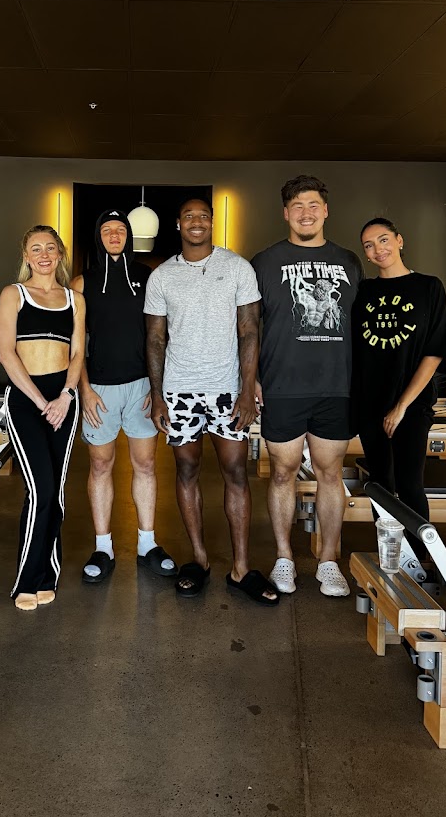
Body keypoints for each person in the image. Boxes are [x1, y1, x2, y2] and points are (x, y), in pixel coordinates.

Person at [145, 198, 277, 606]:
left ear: (212, 222)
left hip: (226, 389)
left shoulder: (238, 268)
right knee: (186, 469)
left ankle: (241, 569)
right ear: (178, 224)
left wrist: (247, 389)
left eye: (204, 215)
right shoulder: (162, 276)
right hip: (179, 390)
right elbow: (155, 339)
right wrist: (158, 395)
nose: (197, 222)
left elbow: (249, 331)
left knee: (235, 471)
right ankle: (199, 560)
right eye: (189, 216)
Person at [251, 175, 362, 598]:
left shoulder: (349, 261)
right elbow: (248, 326)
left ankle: (328, 560)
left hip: (335, 386)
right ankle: (284, 556)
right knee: (282, 472)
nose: (306, 213)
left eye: (313, 204)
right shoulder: (265, 262)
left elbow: (358, 324)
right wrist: (251, 377)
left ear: (326, 210)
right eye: (297, 206)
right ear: (285, 213)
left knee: (331, 473)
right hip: (282, 386)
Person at [70, 209, 177, 584]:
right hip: (98, 390)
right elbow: (75, 343)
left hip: (141, 387)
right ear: (98, 236)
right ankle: (103, 547)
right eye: (107, 230)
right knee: (100, 466)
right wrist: (84, 389)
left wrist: (157, 387)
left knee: (145, 465)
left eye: (120, 229)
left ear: (128, 236)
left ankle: (148, 544)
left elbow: (162, 334)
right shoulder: (81, 283)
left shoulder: (148, 277)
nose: (114, 235)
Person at [353, 218, 446, 551]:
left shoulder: (429, 287)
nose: (378, 249)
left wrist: (401, 406)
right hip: (370, 402)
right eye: (369, 245)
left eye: (383, 239)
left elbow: (435, 351)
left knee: (410, 483)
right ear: (366, 254)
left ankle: (420, 560)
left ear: (400, 240)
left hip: (412, 405)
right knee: (379, 483)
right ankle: (391, 556)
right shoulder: (364, 292)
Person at [0, 224, 85, 611]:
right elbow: (6, 353)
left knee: (55, 491)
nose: (44, 254)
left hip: (63, 398)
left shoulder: (75, 300)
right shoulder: (13, 294)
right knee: (40, 489)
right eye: (36, 248)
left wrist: (65, 396)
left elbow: (78, 354)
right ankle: (26, 580)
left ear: (60, 253)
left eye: (50, 247)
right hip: (25, 398)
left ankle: (48, 574)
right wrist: (39, 401)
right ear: (26, 256)